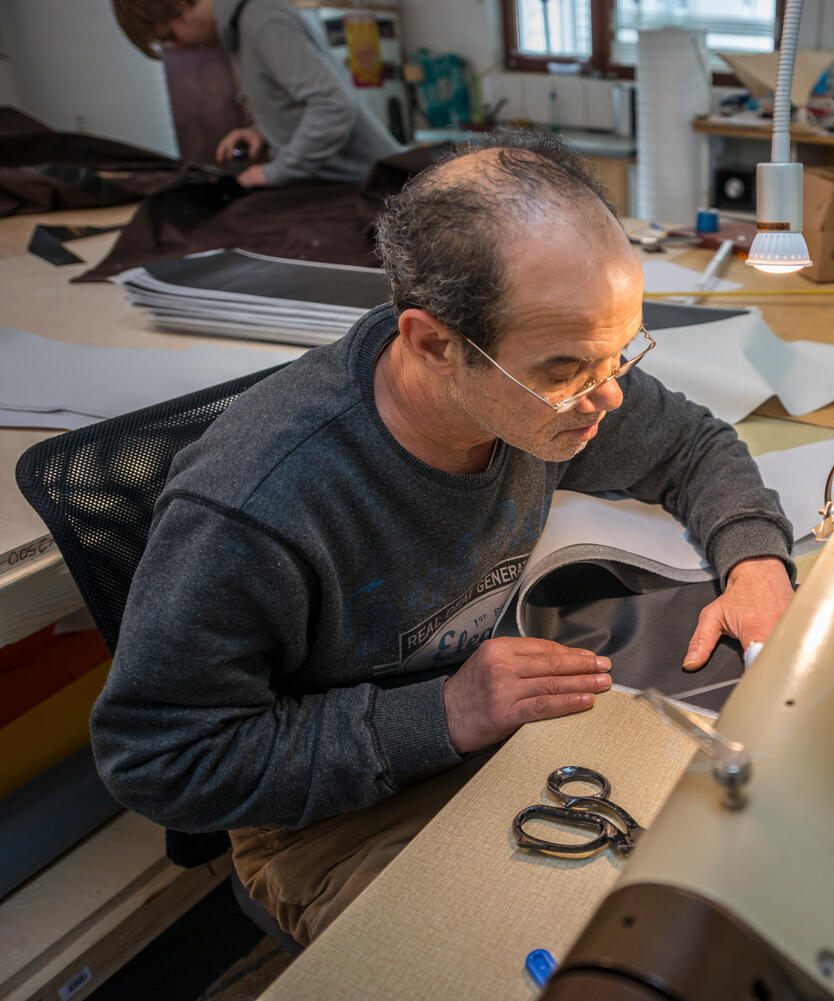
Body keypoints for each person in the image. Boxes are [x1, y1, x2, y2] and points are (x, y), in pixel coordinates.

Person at [89, 130, 797, 944]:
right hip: (333, 815)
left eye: (621, 355)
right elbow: (160, 757)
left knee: (719, 874)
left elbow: (690, 443)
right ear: (432, 342)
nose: (605, 400)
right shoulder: (257, 504)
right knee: (520, 959)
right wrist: (444, 711)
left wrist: (753, 559)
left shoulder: (555, 382)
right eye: (568, 370)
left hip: (507, 727)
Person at [113, 0, 401, 187]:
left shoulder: (262, 18)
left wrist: (275, 172)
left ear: (179, 5)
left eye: (169, 35)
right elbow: (294, 99)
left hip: (370, 184)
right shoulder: (237, 28)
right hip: (337, 185)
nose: (180, 45)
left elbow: (334, 105)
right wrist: (263, 130)